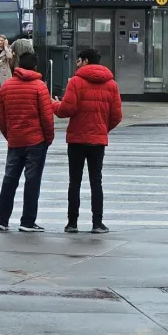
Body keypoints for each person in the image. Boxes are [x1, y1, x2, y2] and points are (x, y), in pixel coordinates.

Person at [53, 48, 122, 234]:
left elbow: (66, 110)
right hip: (97, 141)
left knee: (74, 181)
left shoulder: (76, 82)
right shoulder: (111, 84)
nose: (76, 63)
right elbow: (117, 116)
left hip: (76, 139)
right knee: (96, 181)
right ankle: (97, 223)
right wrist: (101, 130)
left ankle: (72, 223)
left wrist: (54, 104)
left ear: (84, 61)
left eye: (78, 60)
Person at [0, 52, 54, 233]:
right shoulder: (39, 87)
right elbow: (47, 117)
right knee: (32, 181)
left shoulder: (6, 87)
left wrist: (10, 135)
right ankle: (27, 221)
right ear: (35, 66)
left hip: (15, 141)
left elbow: (0, 118)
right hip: (36, 141)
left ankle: (2, 220)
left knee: (9, 180)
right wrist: (48, 138)